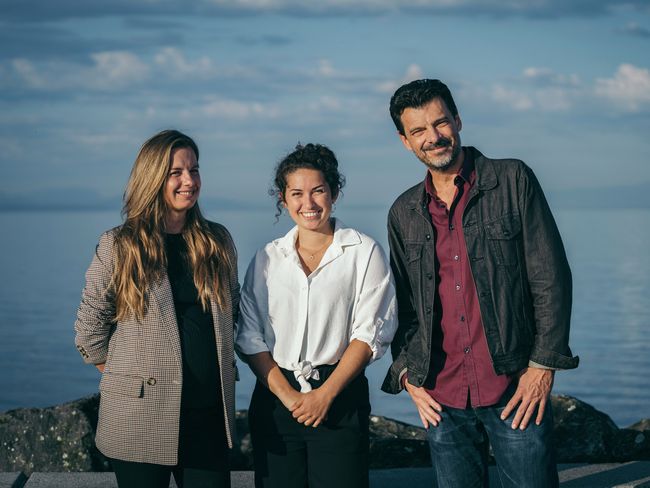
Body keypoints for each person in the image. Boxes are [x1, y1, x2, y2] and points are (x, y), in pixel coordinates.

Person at [381, 79, 579, 487]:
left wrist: (542, 367)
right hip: (441, 395)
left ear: (457, 120)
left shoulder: (512, 180)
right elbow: (401, 308)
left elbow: (551, 278)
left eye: (440, 123)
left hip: (514, 387)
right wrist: (407, 376)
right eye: (418, 130)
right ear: (405, 141)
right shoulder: (403, 212)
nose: (433, 138)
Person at [74, 130, 239, 488]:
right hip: (140, 418)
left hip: (208, 416)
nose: (189, 181)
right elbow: (89, 329)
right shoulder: (119, 245)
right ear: (152, 177)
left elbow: (234, 313)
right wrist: (128, 378)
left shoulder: (217, 241)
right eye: (175, 172)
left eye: (194, 170)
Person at [236, 143, 397, 488]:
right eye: (296, 193)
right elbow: (249, 337)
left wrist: (325, 395)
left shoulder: (363, 251)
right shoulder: (267, 259)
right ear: (283, 199)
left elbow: (370, 333)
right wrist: (290, 397)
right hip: (277, 402)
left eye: (318, 191)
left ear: (334, 192)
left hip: (340, 400)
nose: (308, 204)